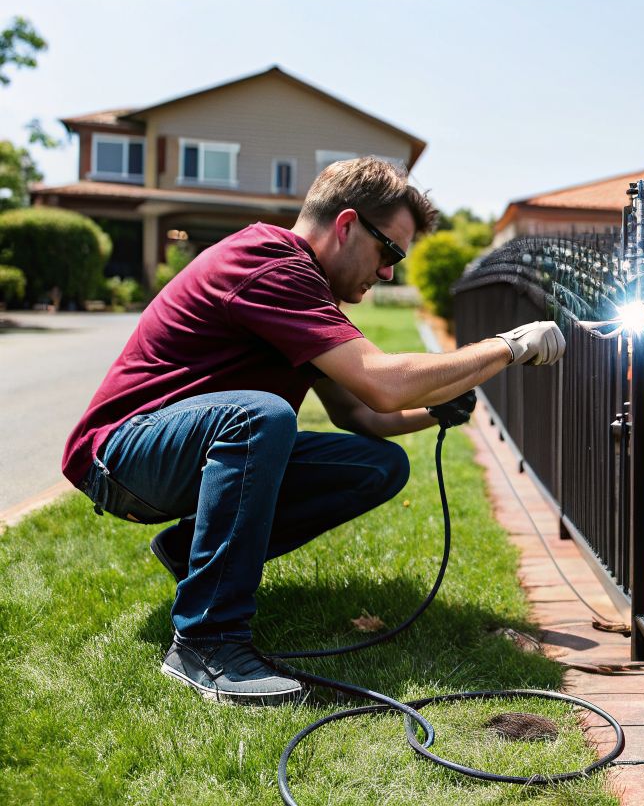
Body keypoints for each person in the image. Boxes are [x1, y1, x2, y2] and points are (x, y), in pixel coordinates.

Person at [62, 156, 566, 706]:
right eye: (389, 251)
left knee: (379, 465)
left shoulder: (308, 289)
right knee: (261, 417)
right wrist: (509, 346)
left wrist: (437, 411)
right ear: (347, 225)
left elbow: (362, 415)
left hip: (170, 454)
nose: (389, 271)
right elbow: (382, 384)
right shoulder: (268, 264)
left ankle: (192, 554)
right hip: (123, 456)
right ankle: (206, 643)